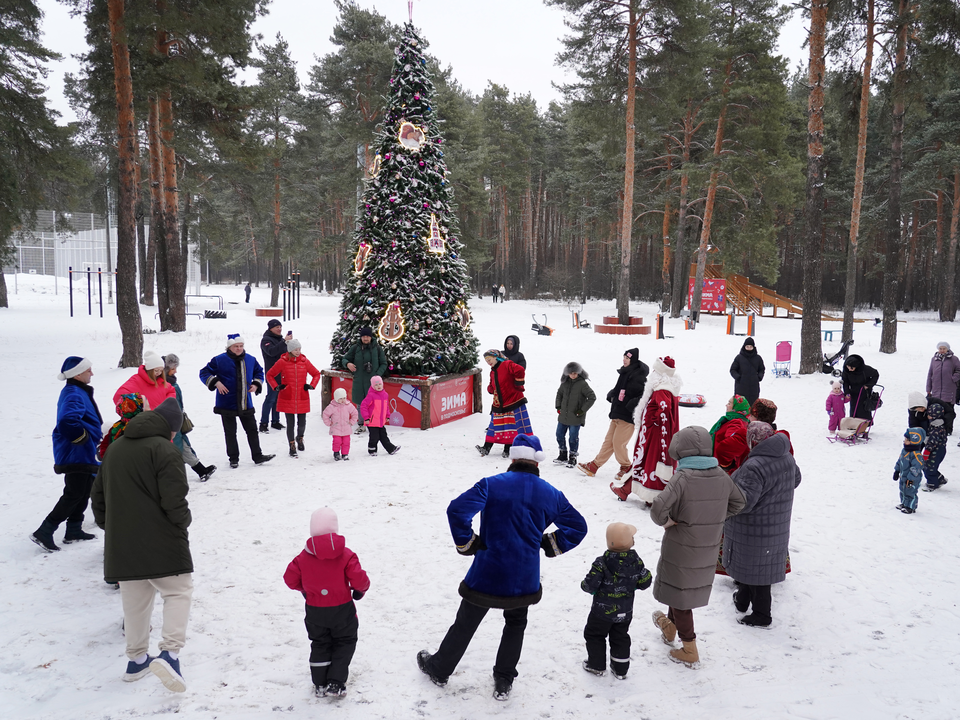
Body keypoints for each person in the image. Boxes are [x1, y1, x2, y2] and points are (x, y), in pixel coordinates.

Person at [417, 434, 587, 701]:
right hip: (524, 576)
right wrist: (548, 543)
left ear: (513, 458)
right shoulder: (551, 494)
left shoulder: (491, 485)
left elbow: (457, 510)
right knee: (516, 623)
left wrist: (468, 542)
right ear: (537, 464)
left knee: (466, 622)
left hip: (488, 571)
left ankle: (440, 669)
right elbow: (579, 527)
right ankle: (504, 679)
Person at [90, 397, 193, 693]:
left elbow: (97, 497)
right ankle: (170, 654)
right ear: (170, 429)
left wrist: (113, 528)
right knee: (178, 591)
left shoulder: (116, 448)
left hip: (122, 542)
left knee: (135, 601)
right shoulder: (165, 450)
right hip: (161, 539)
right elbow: (174, 501)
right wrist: (182, 523)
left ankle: (136, 661)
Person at [650, 426, 745, 666]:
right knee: (679, 588)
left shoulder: (682, 477)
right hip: (708, 544)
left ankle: (689, 649)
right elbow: (739, 502)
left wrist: (668, 522)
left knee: (681, 596)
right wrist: (715, 519)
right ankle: (670, 628)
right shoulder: (721, 475)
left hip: (681, 545)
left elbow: (658, 509)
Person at [284, 507, 370, 698]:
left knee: (320, 642)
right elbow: (359, 579)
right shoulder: (346, 554)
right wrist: (360, 590)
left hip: (315, 611)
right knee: (345, 641)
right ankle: (336, 682)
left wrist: (306, 591)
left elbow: (290, 580)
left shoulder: (302, 558)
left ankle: (320, 683)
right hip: (343, 610)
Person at [723, 422, 802, 628]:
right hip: (776, 523)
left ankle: (761, 615)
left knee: (759, 572)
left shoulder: (754, 465)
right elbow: (796, 479)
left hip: (755, 527)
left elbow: (744, 502)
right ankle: (742, 600)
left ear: (753, 440)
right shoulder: (786, 456)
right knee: (756, 566)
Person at [30, 356, 103, 553]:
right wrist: (83, 438)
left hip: (83, 453)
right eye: (89, 370)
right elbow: (67, 422)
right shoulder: (74, 393)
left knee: (84, 490)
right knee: (73, 494)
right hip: (76, 453)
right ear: (78, 374)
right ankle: (44, 531)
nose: (92, 373)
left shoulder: (77, 391)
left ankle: (73, 529)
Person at [580, 522, 652, 678]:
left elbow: (589, 585)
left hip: (601, 612)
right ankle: (620, 669)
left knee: (594, 635)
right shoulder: (636, 562)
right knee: (620, 636)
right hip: (625, 612)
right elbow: (645, 582)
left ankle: (596, 665)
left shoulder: (601, 563)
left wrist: (587, 586)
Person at [199, 333, 275, 468]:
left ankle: (258, 456)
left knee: (252, 430)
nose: (239, 349)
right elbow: (204, 372)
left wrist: (256, 383)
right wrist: (216, 382)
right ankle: (233, 458)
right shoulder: (219, 360)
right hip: (227, 403)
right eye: (236, 346)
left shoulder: (250, 359)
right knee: (230, 432)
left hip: (246, 402)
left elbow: (259, 372)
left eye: (241, 346)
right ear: (229, 347)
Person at [613, 356, 682, 503]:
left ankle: (636, 493)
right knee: (647, 464)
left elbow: (663, 409)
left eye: (655, 370)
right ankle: (639, 493)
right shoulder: (669, 388)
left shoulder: (661, 389)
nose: (652, 373)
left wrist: (651, 421)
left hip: (655, 436)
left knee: (648, 463)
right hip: (659, 435)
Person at [577, 349, 649, 480]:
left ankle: (626, 467)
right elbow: (619, 389)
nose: (624, 360)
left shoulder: (639, 376)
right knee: (608, 442)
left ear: (632, 360)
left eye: (627, 358)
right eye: (623, 357)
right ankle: (594, 466)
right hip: (617, 413)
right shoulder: (624, 372)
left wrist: (629, 404)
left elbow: (643, 395)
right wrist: (612, 394)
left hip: (628, 416)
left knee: (618, 443)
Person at [162, 354, 216, 482]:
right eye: (173, 368)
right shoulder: (167, 385)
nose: (175, 371)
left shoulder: (171, 382)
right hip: (171, 423)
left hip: (176, 421)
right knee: (179, 448)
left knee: (183, 446)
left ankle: (201, 471)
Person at [266, 337, 321, 458]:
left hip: (302, 396)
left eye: (299, 349)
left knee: (302, 423)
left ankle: (300, 438)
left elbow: (316, 373)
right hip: (287, 396)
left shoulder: (304, 361)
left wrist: (311, 385)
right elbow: (270, 374)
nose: (298, 351)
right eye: (295, 349)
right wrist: (276, 386)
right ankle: (291, 445)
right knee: (290, 424)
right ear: (290, 350)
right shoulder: (282, 361)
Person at [476, 349, 530, 458]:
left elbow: (520, 369)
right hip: (499, 403)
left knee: (510, 426)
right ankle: (486, 448)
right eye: (486, 361)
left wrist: (518, 383)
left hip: (511, 400)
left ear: (496, 357)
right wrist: (490, 389)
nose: (488, 362)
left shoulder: (507, 364)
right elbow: (493, 385)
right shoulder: (493, 371)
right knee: (493, 426)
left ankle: (507, 450)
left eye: (490, 359)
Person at [342, 327, 388, 434]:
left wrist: (377, 376)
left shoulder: (377, 348)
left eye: (367, 336)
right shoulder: (355, 348)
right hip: (359, 380)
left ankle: (374, 424)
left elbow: (384, 363)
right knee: (360, 403)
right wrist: (348, 364)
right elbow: (344, 359)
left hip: (374, 383)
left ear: (371, 337)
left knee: (375, 403)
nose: (365, 338)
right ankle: (361, 424)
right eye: (363, 336)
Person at [554, 361, 596, 469]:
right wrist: (558, 407)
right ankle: (563, 454)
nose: (573, 375)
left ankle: (572, 457)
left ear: (578, 373)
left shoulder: (582, 384)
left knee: (573, 437)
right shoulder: (564, 383)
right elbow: (559, 394)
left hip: (575, 417)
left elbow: (592, 397)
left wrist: (582, 410)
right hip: (563, 416)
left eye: (575, 373)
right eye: (571, 373)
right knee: (559, 434)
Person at [259, 319, 290, 433]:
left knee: (277, 398)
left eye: (280, 326)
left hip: (282, 374)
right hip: (272, 374)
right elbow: (271, 352)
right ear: (270, 328)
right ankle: (263, 423)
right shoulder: (266, 340)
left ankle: (275, 421)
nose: (279, 329)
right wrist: (284, 342)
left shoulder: (280, 339)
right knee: (271, 398)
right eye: (277, 327)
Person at [710, 395, 751, 473]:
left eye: (729, 403)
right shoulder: (740, 420)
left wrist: (725, 465)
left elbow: (731, 446)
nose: (726, 405)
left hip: (722, 468)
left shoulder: (736, 422)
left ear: (736, 408)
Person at [360, 376, 400, 456]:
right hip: (372, 421)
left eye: (380, 384)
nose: (378, 386)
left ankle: (391, 449)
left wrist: (387, 416)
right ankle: (372, 450)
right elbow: (363, 406)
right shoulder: (371, 395)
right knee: (374, 436)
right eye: (376, 385)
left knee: (383, 436)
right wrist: (366, 417)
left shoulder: (385, 395)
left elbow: (386, 406)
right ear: (372, 386)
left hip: (380, 421)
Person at [926, 341, 960, 435]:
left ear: (947, 349)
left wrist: (953, 378)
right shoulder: (934, 359)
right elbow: (930, 374)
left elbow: (959, 370)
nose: (942, 350)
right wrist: (928, 388)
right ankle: (938, 428)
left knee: (949, 409)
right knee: (937, 409)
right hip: (936, 389)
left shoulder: (954, 359)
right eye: (940, 348)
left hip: (949, 389)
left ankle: (948, 429)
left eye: (944, 349)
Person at [894, 427, 925, 514]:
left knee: (910, 491)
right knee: (903, 489)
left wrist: (910, 478)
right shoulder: (905, 451)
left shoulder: (916, 455)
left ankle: (911, 506)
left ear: (914, 441)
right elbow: (900, 461)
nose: (904, 441)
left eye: (907, 439)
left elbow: (916, 468)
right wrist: (896, 470)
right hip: (903, 476)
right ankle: (904, 503)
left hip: (911, 479)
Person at [322, 388, 358, 461]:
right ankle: (336, 453)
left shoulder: (348, 405)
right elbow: (325, 414)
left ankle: (345, 454)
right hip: (336, 428)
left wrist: (352, 421)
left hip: (346, 428)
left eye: (344, 398)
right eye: (340, 398)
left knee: (346, 442)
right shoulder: (332, 406)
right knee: (337, 441)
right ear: (336, 398)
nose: (343, 400)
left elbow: (355, 413)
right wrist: (328, 423)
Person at [841, 354, 880, 421]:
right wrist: (847, 392)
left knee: (864, 409)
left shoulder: (865, 369)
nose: (849, 369)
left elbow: (875, 374)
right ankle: (854, 424)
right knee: (854, 408)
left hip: (864, 391)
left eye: (851, 368)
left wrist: (868, 385)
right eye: (848, 367)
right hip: (853, 391)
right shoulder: (846, 370)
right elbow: (845, 382)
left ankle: (865, 424)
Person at [729, 337, 765, 405]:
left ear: (753, 347)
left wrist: (759, 377)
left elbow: (762, 369)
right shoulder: (739, 357)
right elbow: (733, 369)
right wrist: (739, 377)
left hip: (754, 386)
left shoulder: (758, 358)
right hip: (741, 386)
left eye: (750, 346)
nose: (749, 348)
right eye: (747, 346)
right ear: (744, 347)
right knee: (740, 404)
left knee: (753, 404)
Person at [922, 403, 948, 491]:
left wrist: (926, 452)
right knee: (928, 466)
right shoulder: (934, 424)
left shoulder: (936, 428)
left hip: (936, 450)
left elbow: (932, 442)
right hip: (936, 450)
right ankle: (939, 478)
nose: (927, 416)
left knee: (929, 467)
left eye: (929, 414)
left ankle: (932, 484)